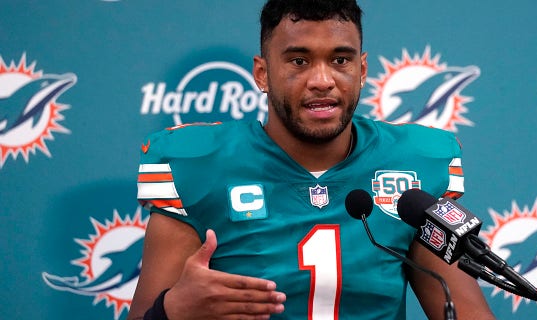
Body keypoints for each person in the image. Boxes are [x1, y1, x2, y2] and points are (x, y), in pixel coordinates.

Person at [128, 0, 496, 319]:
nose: (322, 80)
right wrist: (172, 310)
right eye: (299, 61)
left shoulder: (415, 165)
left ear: (362, 70)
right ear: (262, 73)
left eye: (340, 60)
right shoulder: (199, 164)